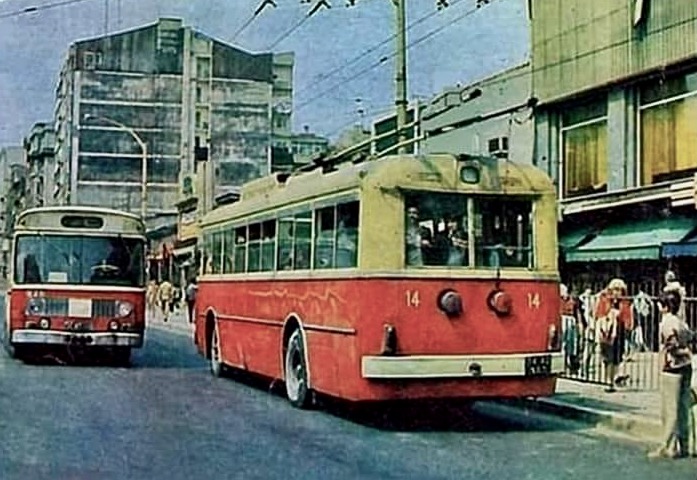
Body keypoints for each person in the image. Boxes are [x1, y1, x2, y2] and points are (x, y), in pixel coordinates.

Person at [648, 291, 694, 459]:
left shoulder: (666, 322)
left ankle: (668, 447)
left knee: (670, 409)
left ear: (665, 306)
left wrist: (673, 354)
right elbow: (690, 336)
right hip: (686, 366)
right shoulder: (681, 322)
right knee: (683, 408)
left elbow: (672, 343)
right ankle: (685, 445)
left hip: (672, 368)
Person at [594, 278, 633, 392]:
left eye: (620, 290)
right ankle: (609, 381)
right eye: (615, 289)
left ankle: (613, 378)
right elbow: (599, 314)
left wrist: (627, 326)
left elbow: (627, 317)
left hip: (619, 331)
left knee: (617, 357)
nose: (617, 292)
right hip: (607, 332)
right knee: (607, 357)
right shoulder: (605, 299)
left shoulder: (624, 302)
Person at [560, 284, 580, 374]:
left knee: (571, 344)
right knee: (563, 343)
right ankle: (564, 365)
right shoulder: (558, 301)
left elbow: (576, 312)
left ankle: (571, 364)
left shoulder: (571, 300)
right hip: (563, 319)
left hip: (570, 320)